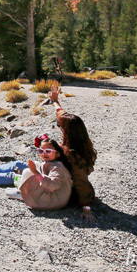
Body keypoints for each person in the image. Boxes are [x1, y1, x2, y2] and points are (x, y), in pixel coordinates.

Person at [0, 137, 73, 211]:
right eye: (41, 151)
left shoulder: (57, 168)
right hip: (51, 196)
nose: (44, 154)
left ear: (58, 154)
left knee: (19, 174)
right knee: (19, 165)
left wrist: (36, 172)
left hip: (51, 200)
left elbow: (53, 185)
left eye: (48, 151)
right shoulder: (52, 163)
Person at [49, 84, 98, 222]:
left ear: (67, 131)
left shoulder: (74, 154)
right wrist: (55, 101)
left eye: (60, 126)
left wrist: (86, 209)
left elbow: (81, 183)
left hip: (69, 192)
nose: (59, 127)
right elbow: (61, 113)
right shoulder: (78, 139)